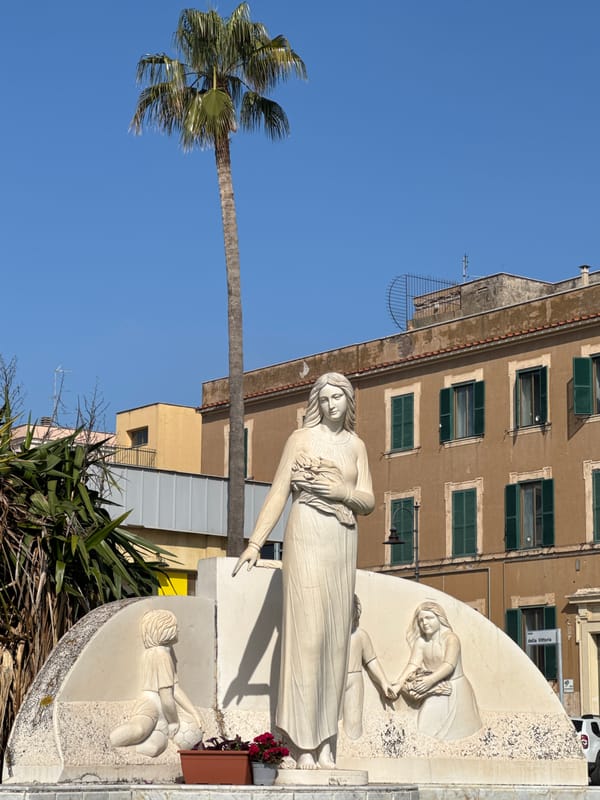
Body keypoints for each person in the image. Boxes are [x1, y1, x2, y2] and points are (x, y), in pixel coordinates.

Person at [233, 373, 374, 769]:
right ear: (317, 402)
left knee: (334, 641)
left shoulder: (356, 446)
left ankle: (327, 741)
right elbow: (279, 492)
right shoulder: (299, 440)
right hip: (307, 531)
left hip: (342, 538)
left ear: (348, 402)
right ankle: (300, 744)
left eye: (338, 399)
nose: (332, 405)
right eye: (325, 399)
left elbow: (368, 499)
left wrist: (341, 493)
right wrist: (256, 542)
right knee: (307, 638)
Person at [110, 609, 203, 756]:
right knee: (139, 729)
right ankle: (109, 741)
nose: (178, 629)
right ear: (165, 630)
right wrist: (174, 721)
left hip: (162, 713)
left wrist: (194, 712)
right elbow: (166, 697)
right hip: (151, 705)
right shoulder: (162, 656)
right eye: (175, 626)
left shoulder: (159, 652)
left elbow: (175, 689)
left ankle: (135, 749)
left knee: (155, 748)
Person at [393, 601, 481, 741]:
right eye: (421, 620)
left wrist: (429, 681)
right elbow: (413, 665)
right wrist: (398, 684)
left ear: (439, 619)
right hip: (435, 688)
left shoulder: (451, 639)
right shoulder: (421, 642)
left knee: (456, 734)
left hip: (454, 689)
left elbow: (449, 665)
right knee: (424, 726)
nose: (424, 623)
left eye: (429, 618)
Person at [343, 595, 396, 740]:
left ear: (355, 611)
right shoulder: (327, 635)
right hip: (331, 681)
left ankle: (352, 749)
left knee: (353, 725)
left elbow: (371, 661)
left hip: (354, 679)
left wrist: (384, 683)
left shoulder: (360, 635)